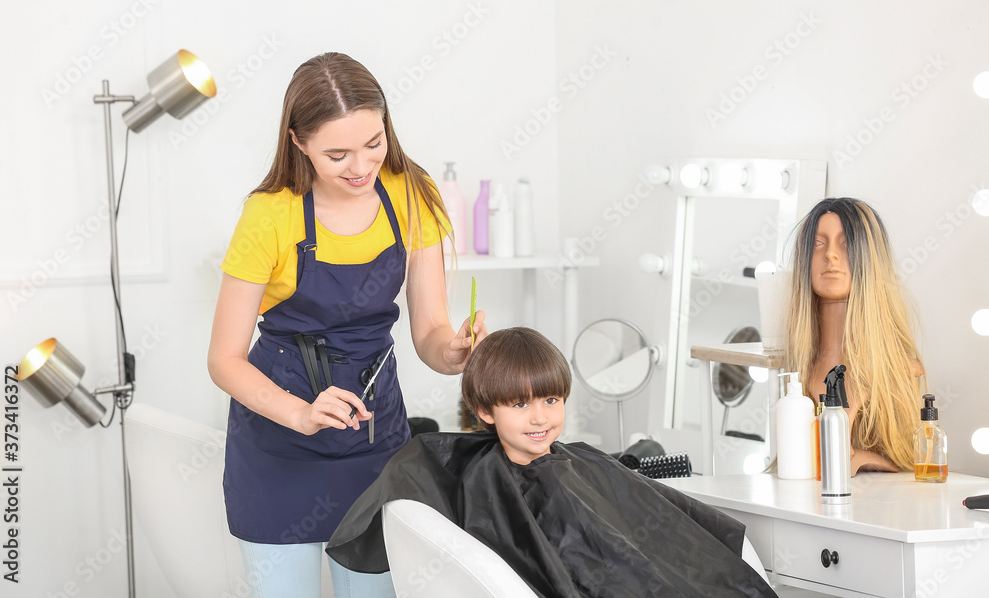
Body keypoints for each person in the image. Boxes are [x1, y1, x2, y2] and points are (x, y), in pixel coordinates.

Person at [207, 52, 488, 598]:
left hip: (374, 439)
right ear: (298, 141)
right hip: (276, 446)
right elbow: (223, 359)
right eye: (337, 153)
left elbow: (430, 330)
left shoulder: (411, 195)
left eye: (374, 144)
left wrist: (454, 352)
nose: (361, 167)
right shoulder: (270, 215)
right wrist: (300, 413)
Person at [326, 328, 777, 597]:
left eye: (550, 398)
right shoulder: (493, 481)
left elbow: (659, 528)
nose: (540, 416)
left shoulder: (578, 460)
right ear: (485, 411)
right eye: (519, 404)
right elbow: (556, 564)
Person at [785, 197, 925, 475]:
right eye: (818, 244)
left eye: (845, 244)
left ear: (868, 257)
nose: (831, 256)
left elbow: (910, 463)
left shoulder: (899, 368)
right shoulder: (799, 372)